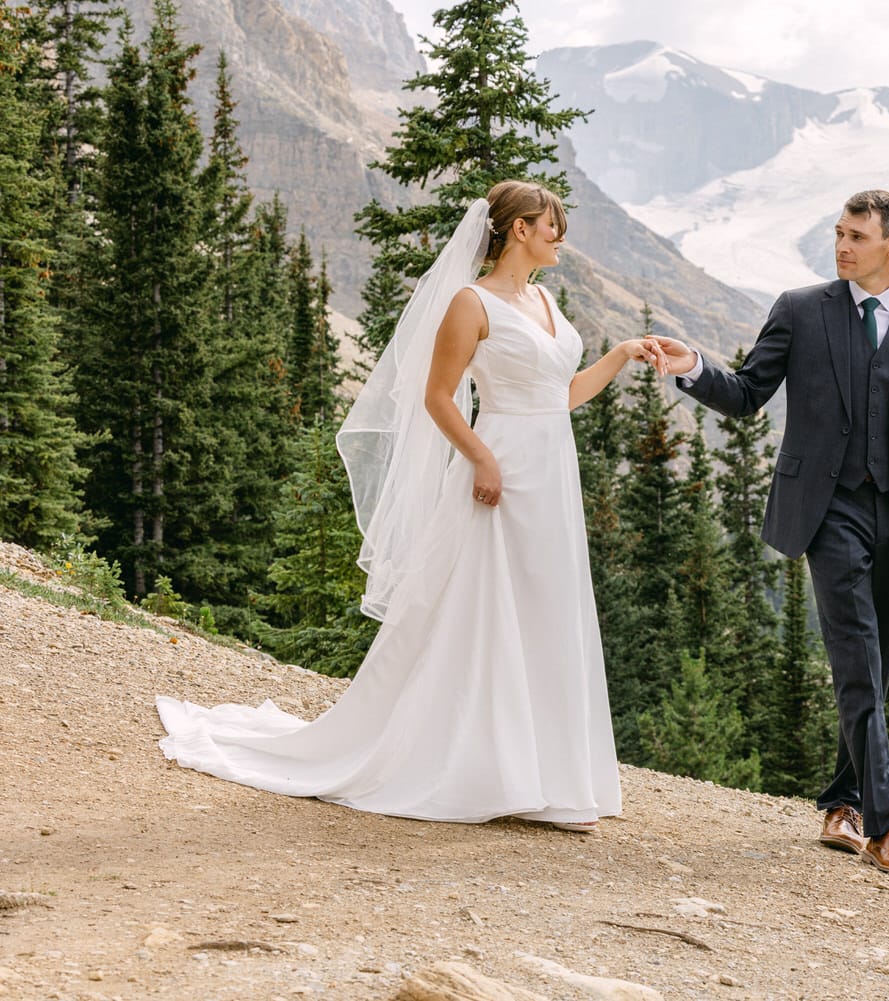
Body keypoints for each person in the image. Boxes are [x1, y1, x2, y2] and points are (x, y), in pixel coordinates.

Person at [156, 181, 664, 832]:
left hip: (551, 476)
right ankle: (482, 767)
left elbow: (560, 395)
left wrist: (621, 354)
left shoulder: (542, 299)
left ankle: (547, 776)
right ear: (517, 231)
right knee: (484, 612)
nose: (559, 237)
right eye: (550, 226)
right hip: (500, 467)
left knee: (545, 608)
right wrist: (481, 457)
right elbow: (438, 396)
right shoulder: (470, 302)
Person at [650, 190, 889, 881]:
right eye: (838, 234)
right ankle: (887, 825)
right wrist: (692, 365)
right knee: (856, 658)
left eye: (857, 237)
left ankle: (840, 802)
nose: (842, 247)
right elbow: (749, 392)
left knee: (873, 669)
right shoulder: (800, 309)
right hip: (827, 511)